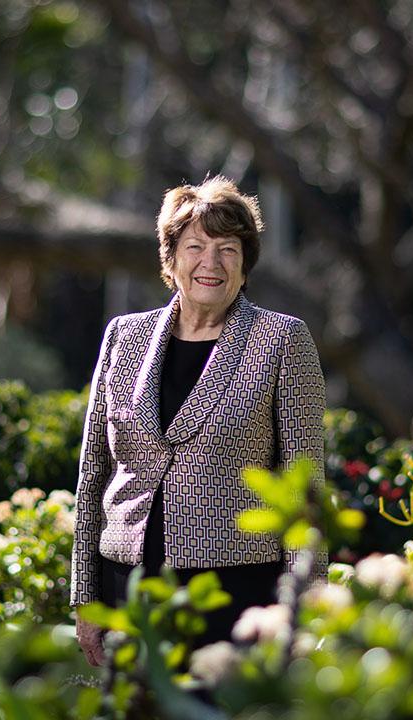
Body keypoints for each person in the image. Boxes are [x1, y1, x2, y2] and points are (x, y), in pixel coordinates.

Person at [71, 176, 326, 666]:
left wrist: (306, 611)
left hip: (237, 593)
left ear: (245, 264)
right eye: (195, 246)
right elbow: (92, 476)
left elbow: (305, 489)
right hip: (127, 585)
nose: (210, 263)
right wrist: (86, 598)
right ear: (171, 259)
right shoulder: (123, 337)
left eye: (227, 249)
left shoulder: (282, 341)